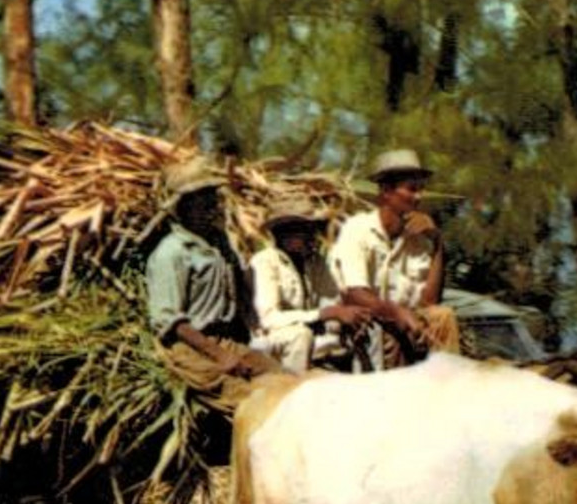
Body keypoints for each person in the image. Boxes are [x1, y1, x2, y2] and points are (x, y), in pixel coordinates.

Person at [145, 156, 281, 413]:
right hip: (189, 348)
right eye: (200, 202)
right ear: (182, 208)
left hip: (227, 340)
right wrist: (220, 356)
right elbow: (171, 321)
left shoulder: (221, 244)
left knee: (285, 383)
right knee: (254, 402)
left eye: (212, 199)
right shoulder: (172, 252)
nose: (211, 208)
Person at [322, 148, 460, 369]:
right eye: (412, 189)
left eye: (421, 190)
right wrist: (398, 313)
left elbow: (429, 302)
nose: (419, 197)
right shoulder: (358, 230)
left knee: (442, 316)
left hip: (404, 322)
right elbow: (356, 294)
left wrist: (437, 244)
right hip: (363, 322)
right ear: (386, 191)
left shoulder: (419, 239)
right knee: (391, 331)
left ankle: (447, 388)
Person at [247, 199, 372, 373]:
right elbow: (269, 319)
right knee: (300, 335)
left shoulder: (316, 262)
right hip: (272, 338)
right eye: (302, 230)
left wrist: (345, 319)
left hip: (312, 331)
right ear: (283, 234)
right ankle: (292, 389)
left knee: (357, 331)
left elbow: (330, 301)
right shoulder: (265, 262)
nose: (310, 235)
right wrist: (322, 315)